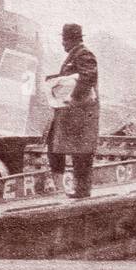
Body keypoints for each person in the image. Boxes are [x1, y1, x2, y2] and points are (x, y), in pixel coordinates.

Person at [44, 23, 99, 199]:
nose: (62, 44)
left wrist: (73, 97)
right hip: (72, 113)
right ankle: (72, 189)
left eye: (64, 39)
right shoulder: (75, 54)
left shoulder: (83, 54)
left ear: (70, 39)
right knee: (68, 149)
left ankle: (82, 191)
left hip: (81, 113)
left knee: (81, 152)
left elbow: (88, 77)